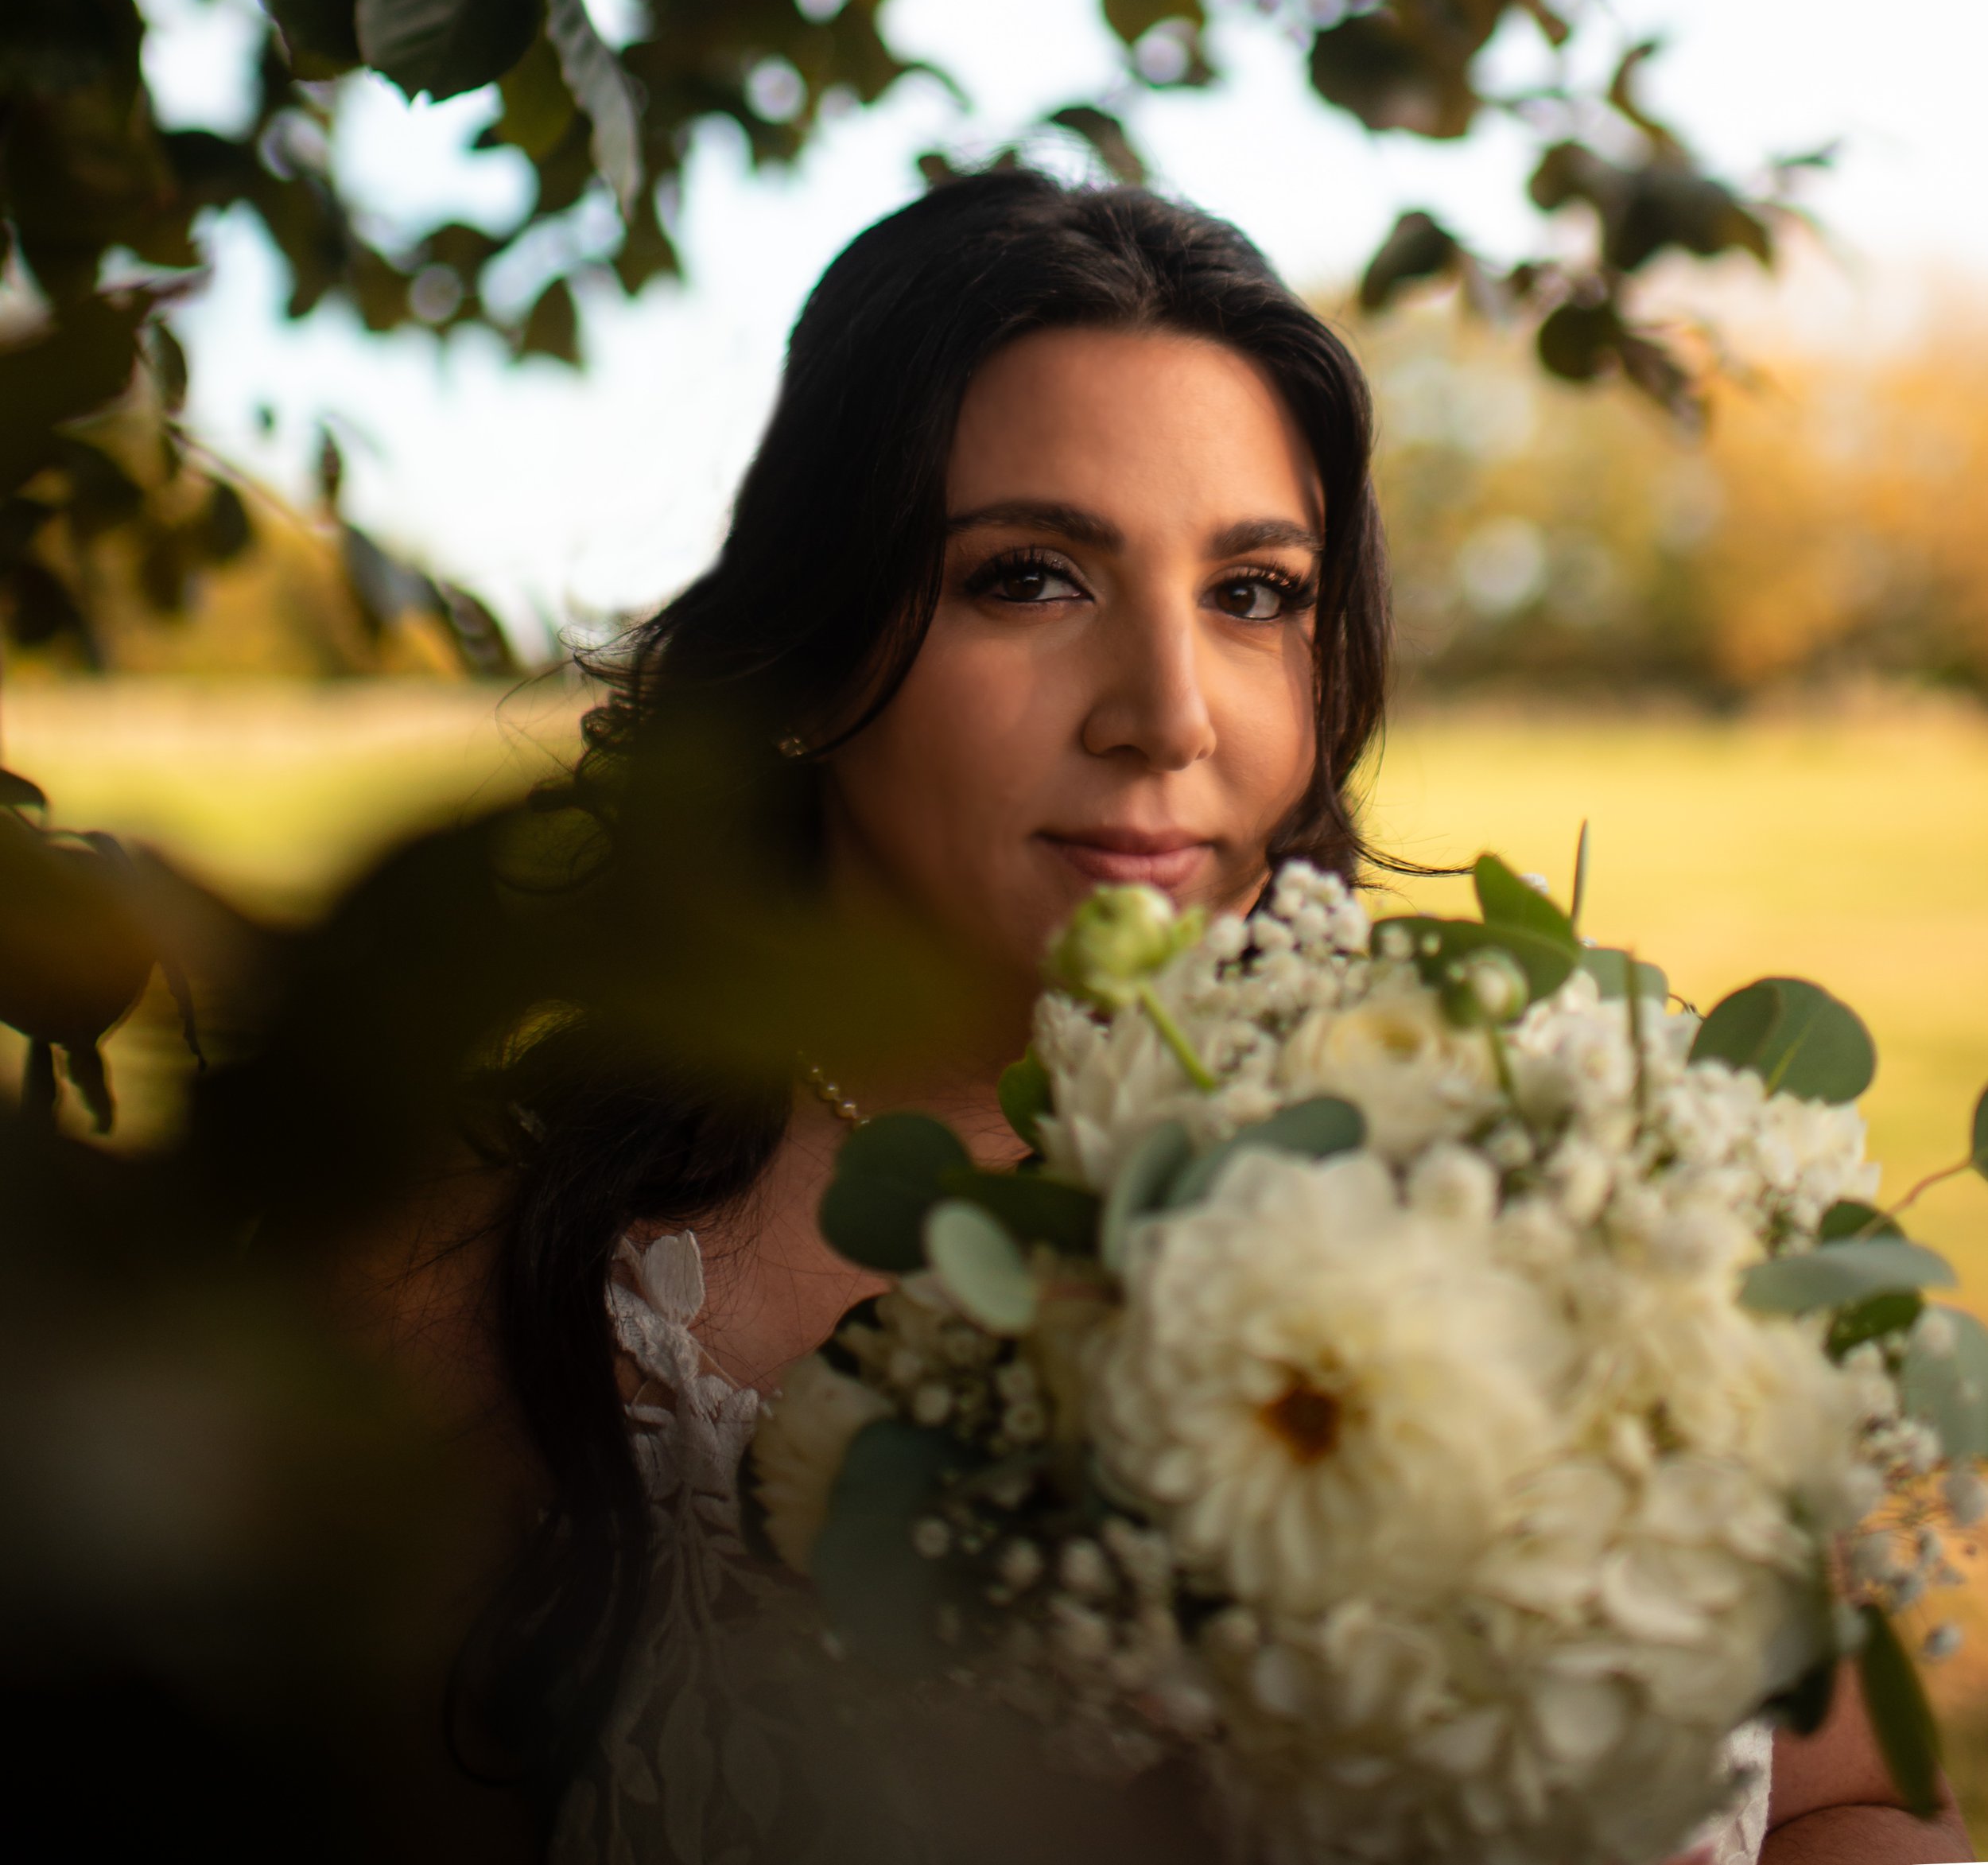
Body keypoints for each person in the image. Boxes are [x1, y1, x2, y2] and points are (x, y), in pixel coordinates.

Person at [419, 171, 1970, 1862]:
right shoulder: (504, 1297)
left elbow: (1856, 1801)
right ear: (806, 649)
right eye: (1029, 576)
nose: (1166, 716)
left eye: (1251, 594)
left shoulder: (1566, 1168)